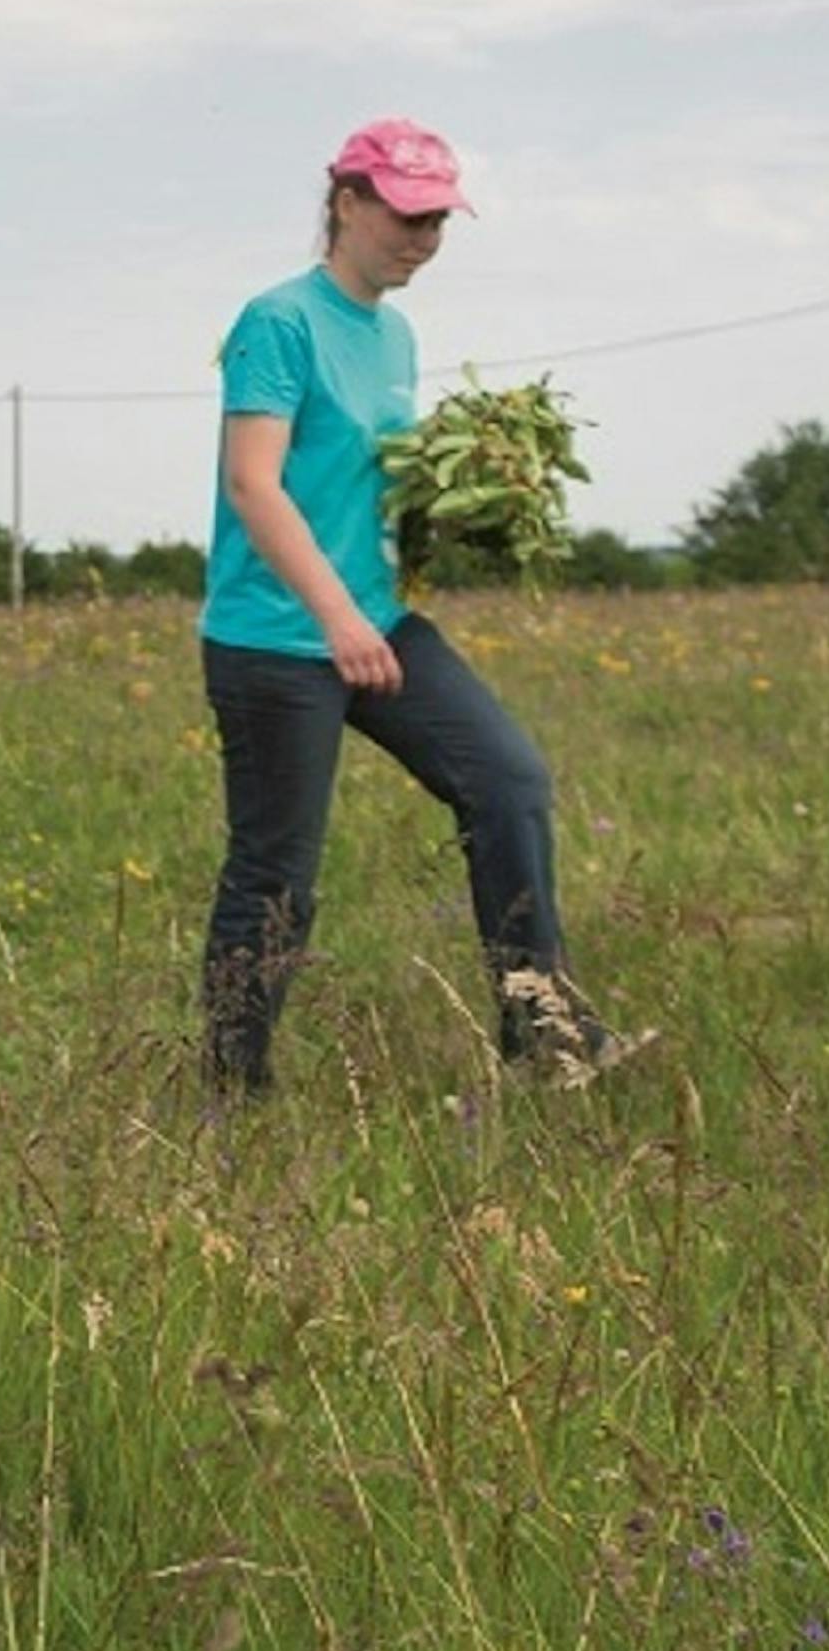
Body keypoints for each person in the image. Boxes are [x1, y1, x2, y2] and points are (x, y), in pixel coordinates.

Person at [194, 119, 642, 1096]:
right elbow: (254, 485)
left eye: (436, 218)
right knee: (275, 877)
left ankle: (541, 1032)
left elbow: (365, 478)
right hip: (276, 637)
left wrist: (468, 504)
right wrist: (337, 620)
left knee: (509, 781)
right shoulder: (279, 321)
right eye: (406, 214)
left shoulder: (395, 333)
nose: (422, 237)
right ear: (347, 201)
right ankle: (229, 1096)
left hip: (378, 621)